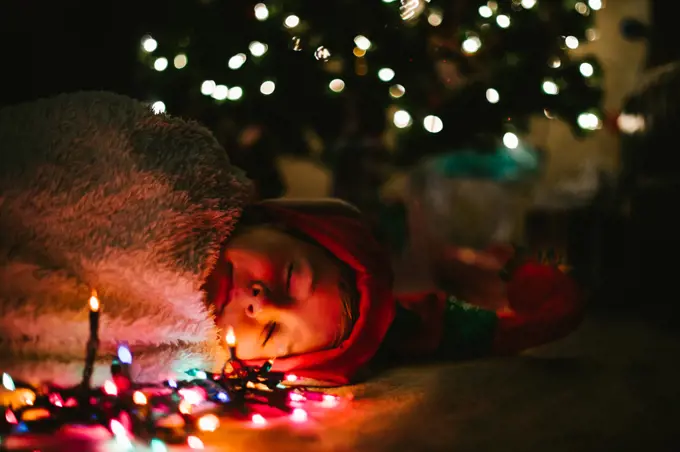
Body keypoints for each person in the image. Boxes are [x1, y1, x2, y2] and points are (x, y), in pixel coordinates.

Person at [0, 91, 583, 387]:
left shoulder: (177, 351)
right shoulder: (180, 185)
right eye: (288, 278)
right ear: (277, 225)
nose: (261, 304)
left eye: (273, 332)